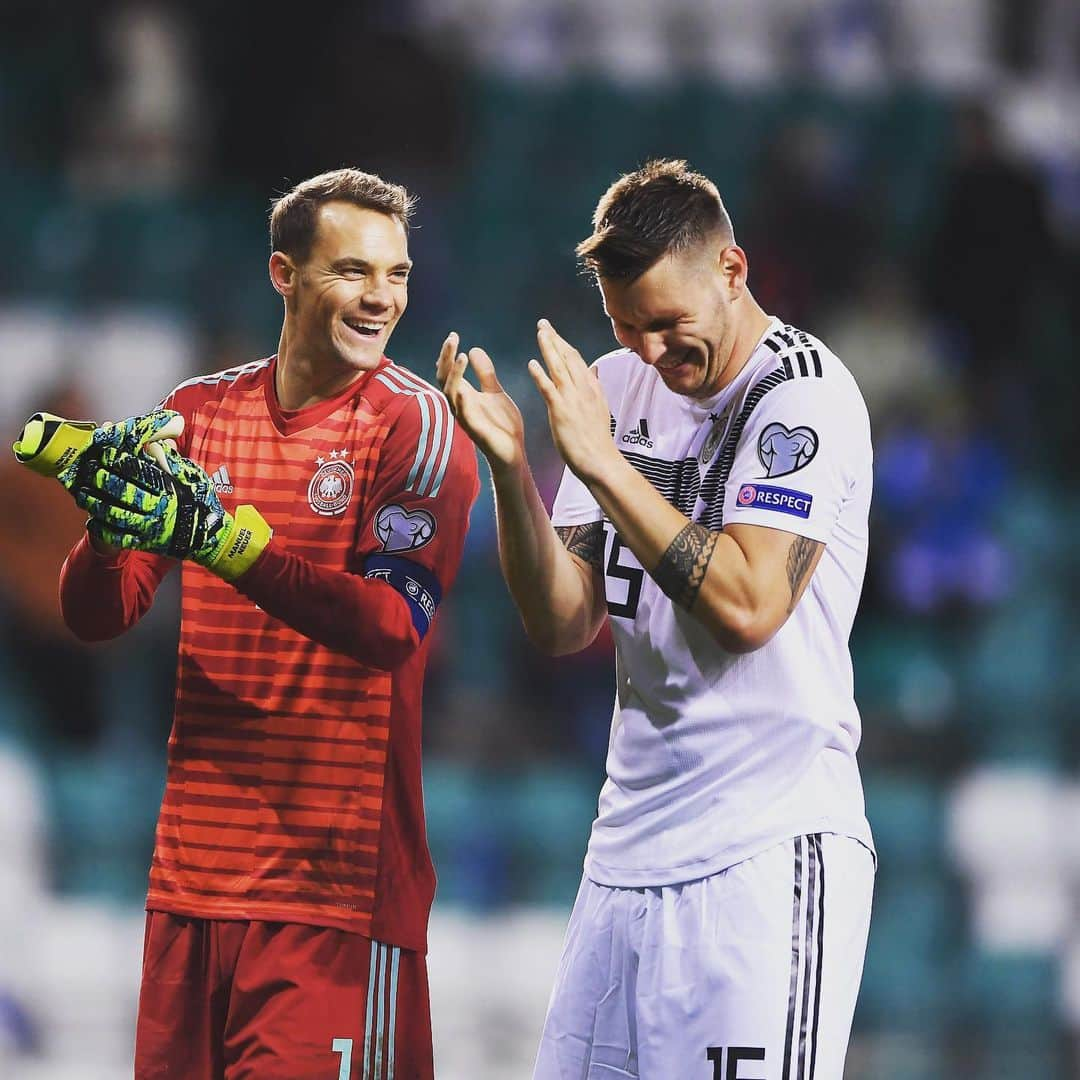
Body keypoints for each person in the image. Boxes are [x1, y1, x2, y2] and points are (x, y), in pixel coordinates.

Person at [438, 159, 875, 1079]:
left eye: (669, 324)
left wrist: (602, 466)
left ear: (732, 270)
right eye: (625, 327)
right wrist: (516, 474)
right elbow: (564, 623)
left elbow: (752, 605)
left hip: (765, 850)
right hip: (626, 855)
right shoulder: (617, 387)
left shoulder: (803, 396)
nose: (649, 353)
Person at [54, 168, 479, 1079]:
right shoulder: (198, 415)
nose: (381, 298)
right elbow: (100, 615)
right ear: (284, 274)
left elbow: (391, 626)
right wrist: (102, 533)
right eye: (353, 271)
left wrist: (226, 545)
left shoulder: (416, 428)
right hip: (189, 888)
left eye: (397, 276)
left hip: (335, 897)